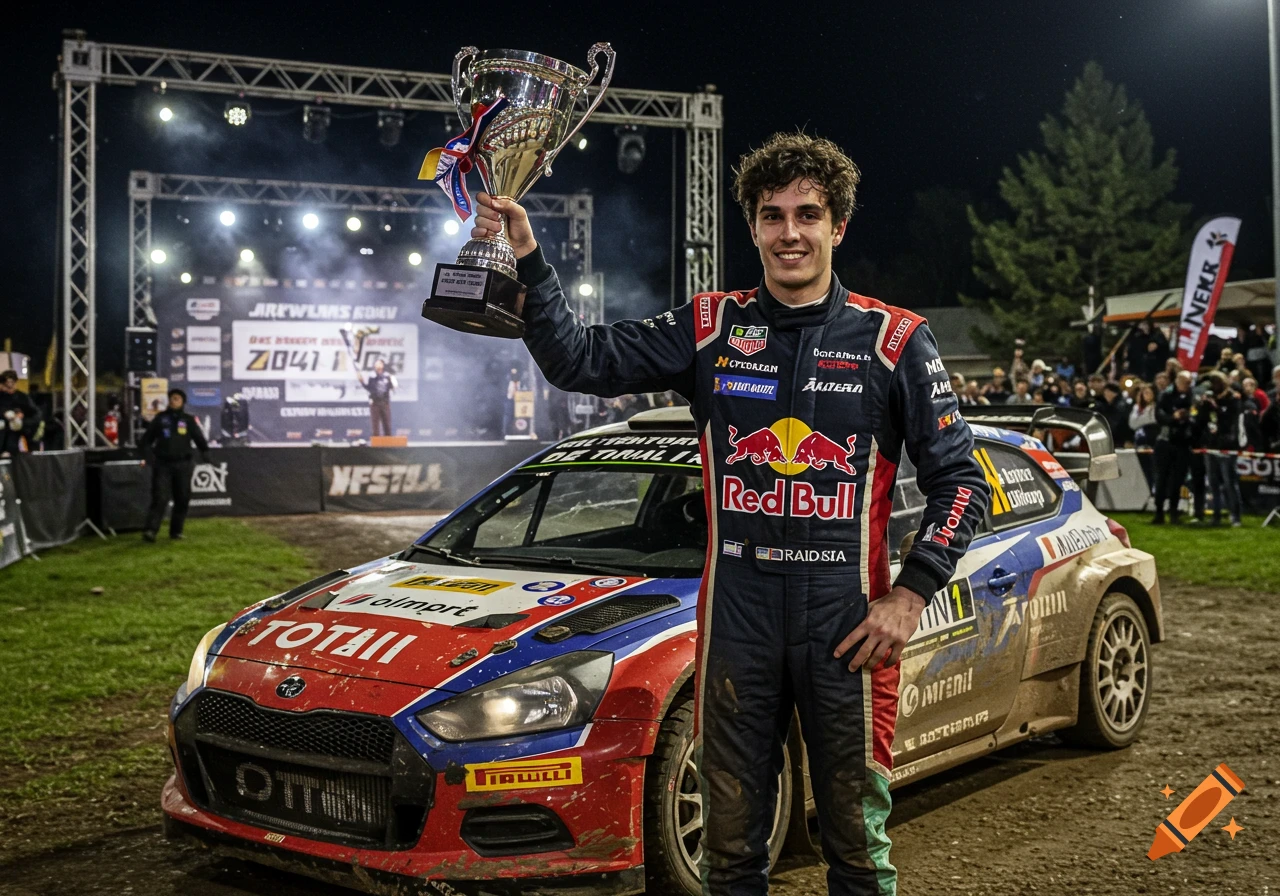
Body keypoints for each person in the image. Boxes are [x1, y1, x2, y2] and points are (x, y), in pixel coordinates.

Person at [471, 131, 990, 896]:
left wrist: (910, 595)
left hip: (845, 623)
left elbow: (962, 481)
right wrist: (527, 255)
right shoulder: (712, 326)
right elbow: (581, 359)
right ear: (752, 227)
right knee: (731, 849)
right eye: (773, 215)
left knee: (855, 844)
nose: (790, 233)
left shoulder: (895, 339)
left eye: (808, 215)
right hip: (737, 620)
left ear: (838, 227)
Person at [139, 389, 209, 542]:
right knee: (160, 497)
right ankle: (151, 530)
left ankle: (176, 531)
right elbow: (146, 440)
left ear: (183, 402)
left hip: (183, 464)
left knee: (182, 498)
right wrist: (149, 457)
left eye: (177, 398)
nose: (173, 401)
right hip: (163, 464)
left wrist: (205, 452)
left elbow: (199, 438)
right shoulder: (160, 418)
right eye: (171, 398)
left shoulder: (188, 420)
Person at [1198, 372, 1242, 526]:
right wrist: (1203, 405)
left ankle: (1235, 516)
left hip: (1226, 447)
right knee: (1213, 483)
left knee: (1229, 483)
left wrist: (1216, 408)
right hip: (1211, 445)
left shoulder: (1233, 399)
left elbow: (1229, 421)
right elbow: (1202, 420)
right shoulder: (1210, 399)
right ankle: (1216, 515)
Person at [1152, 371, 1195, 524]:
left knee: (1178, 480)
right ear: (1177, 381)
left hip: (1183, 443)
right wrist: (1173, 417)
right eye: (1183, 382)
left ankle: (1174, 512)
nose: (1185, 385)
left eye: (1188, 383)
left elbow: (1196, 416)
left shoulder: (1192, 396)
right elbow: (1159, 416)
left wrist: (1187, 417)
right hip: (1165, 441)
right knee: (1161, 478)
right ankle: (1159, 512)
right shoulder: (1166, 395)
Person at [0, 370, 40, 457]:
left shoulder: (22, 397)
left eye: (12, 383)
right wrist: (4, 414)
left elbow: (35, 414)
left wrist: (22, 420)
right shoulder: (2, 397)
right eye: (7, 385)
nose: (10, 387)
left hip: (20, 429)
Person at [358, 358, 397, 437]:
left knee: (387, 423)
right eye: (376, 364)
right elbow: (369, 388)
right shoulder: (371, 376)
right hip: (375, 403)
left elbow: (392, 387)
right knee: (375, 424)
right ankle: (376, 441)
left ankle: (388, 441)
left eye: (379, 363)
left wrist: (394, 383)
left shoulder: (387, 376)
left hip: (385, 402)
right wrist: (362, 382)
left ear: (382, 365)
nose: (377, 365)